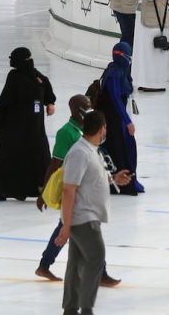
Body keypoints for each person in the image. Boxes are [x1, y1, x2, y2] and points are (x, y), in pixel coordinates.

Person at [36, 93, 121, 287]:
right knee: (87, 233)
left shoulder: (87, 128)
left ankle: (45, 264)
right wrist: (43, 193)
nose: (89, 108)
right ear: (76, 110)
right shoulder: (66, 133)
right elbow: (55, 162)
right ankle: (101, 273)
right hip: (75, 190)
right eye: (86, 106)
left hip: (86, 190)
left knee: (66, 230)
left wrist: (111, 178)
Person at [56, 110, 133, 315]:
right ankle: (86, 308)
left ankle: (71, 308)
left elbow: (91, 180)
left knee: (76, 263)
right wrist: (66, 225)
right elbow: (69, 188)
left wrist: (114, 179)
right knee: (96, 257)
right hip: (83, 217)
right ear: (101, 129)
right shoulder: (80, 153)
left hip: (86, 216)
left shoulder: (91, 150)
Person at [0, 46, 56, 200]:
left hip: (28, 129)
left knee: (34, 157)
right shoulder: (19, 77)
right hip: (18, 129)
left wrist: (50, 102)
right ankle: (9, 190)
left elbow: (45, 87)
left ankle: (36, 189)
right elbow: (5, 101)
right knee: (15, 157)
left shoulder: (33, 77)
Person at [94, 40, 143, 194]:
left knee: (126, 149)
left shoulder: (117, 71)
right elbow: (115, 98)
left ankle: (129, 180)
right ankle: (125, 183)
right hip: (115, 122)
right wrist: (127, 122)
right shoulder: (115, 74)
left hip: (117, 120)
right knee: (122, 150)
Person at [133, 0, 169, 92]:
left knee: (154, 56)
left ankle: (156, 84)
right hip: (146, 24)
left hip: (156, 26)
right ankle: (145, 81)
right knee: (145, 55)